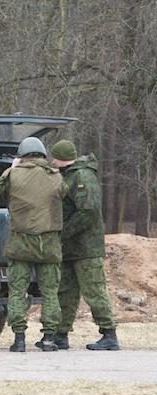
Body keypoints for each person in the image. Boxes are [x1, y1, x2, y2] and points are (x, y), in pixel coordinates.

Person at [0, 137, 68, 352]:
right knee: (50, 292)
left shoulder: (14, 174)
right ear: (43, 154)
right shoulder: (55, 176)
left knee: (17, 292)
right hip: (49, 244)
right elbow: (65, 193)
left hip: (20, 243)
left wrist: (9, 170)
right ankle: (49, 339)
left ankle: (19, 339)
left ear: (21, 155)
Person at [45, 140, 120, 351]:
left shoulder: (82, 176)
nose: (52, 161)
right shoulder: (68, 175)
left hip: (86, 247)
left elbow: (88, 212)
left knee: (94, 290)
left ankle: (109, 333)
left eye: (54, 157)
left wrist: (64, 232)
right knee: (65, 292)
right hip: (70, 247)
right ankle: (61, 334)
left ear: (60, 157)